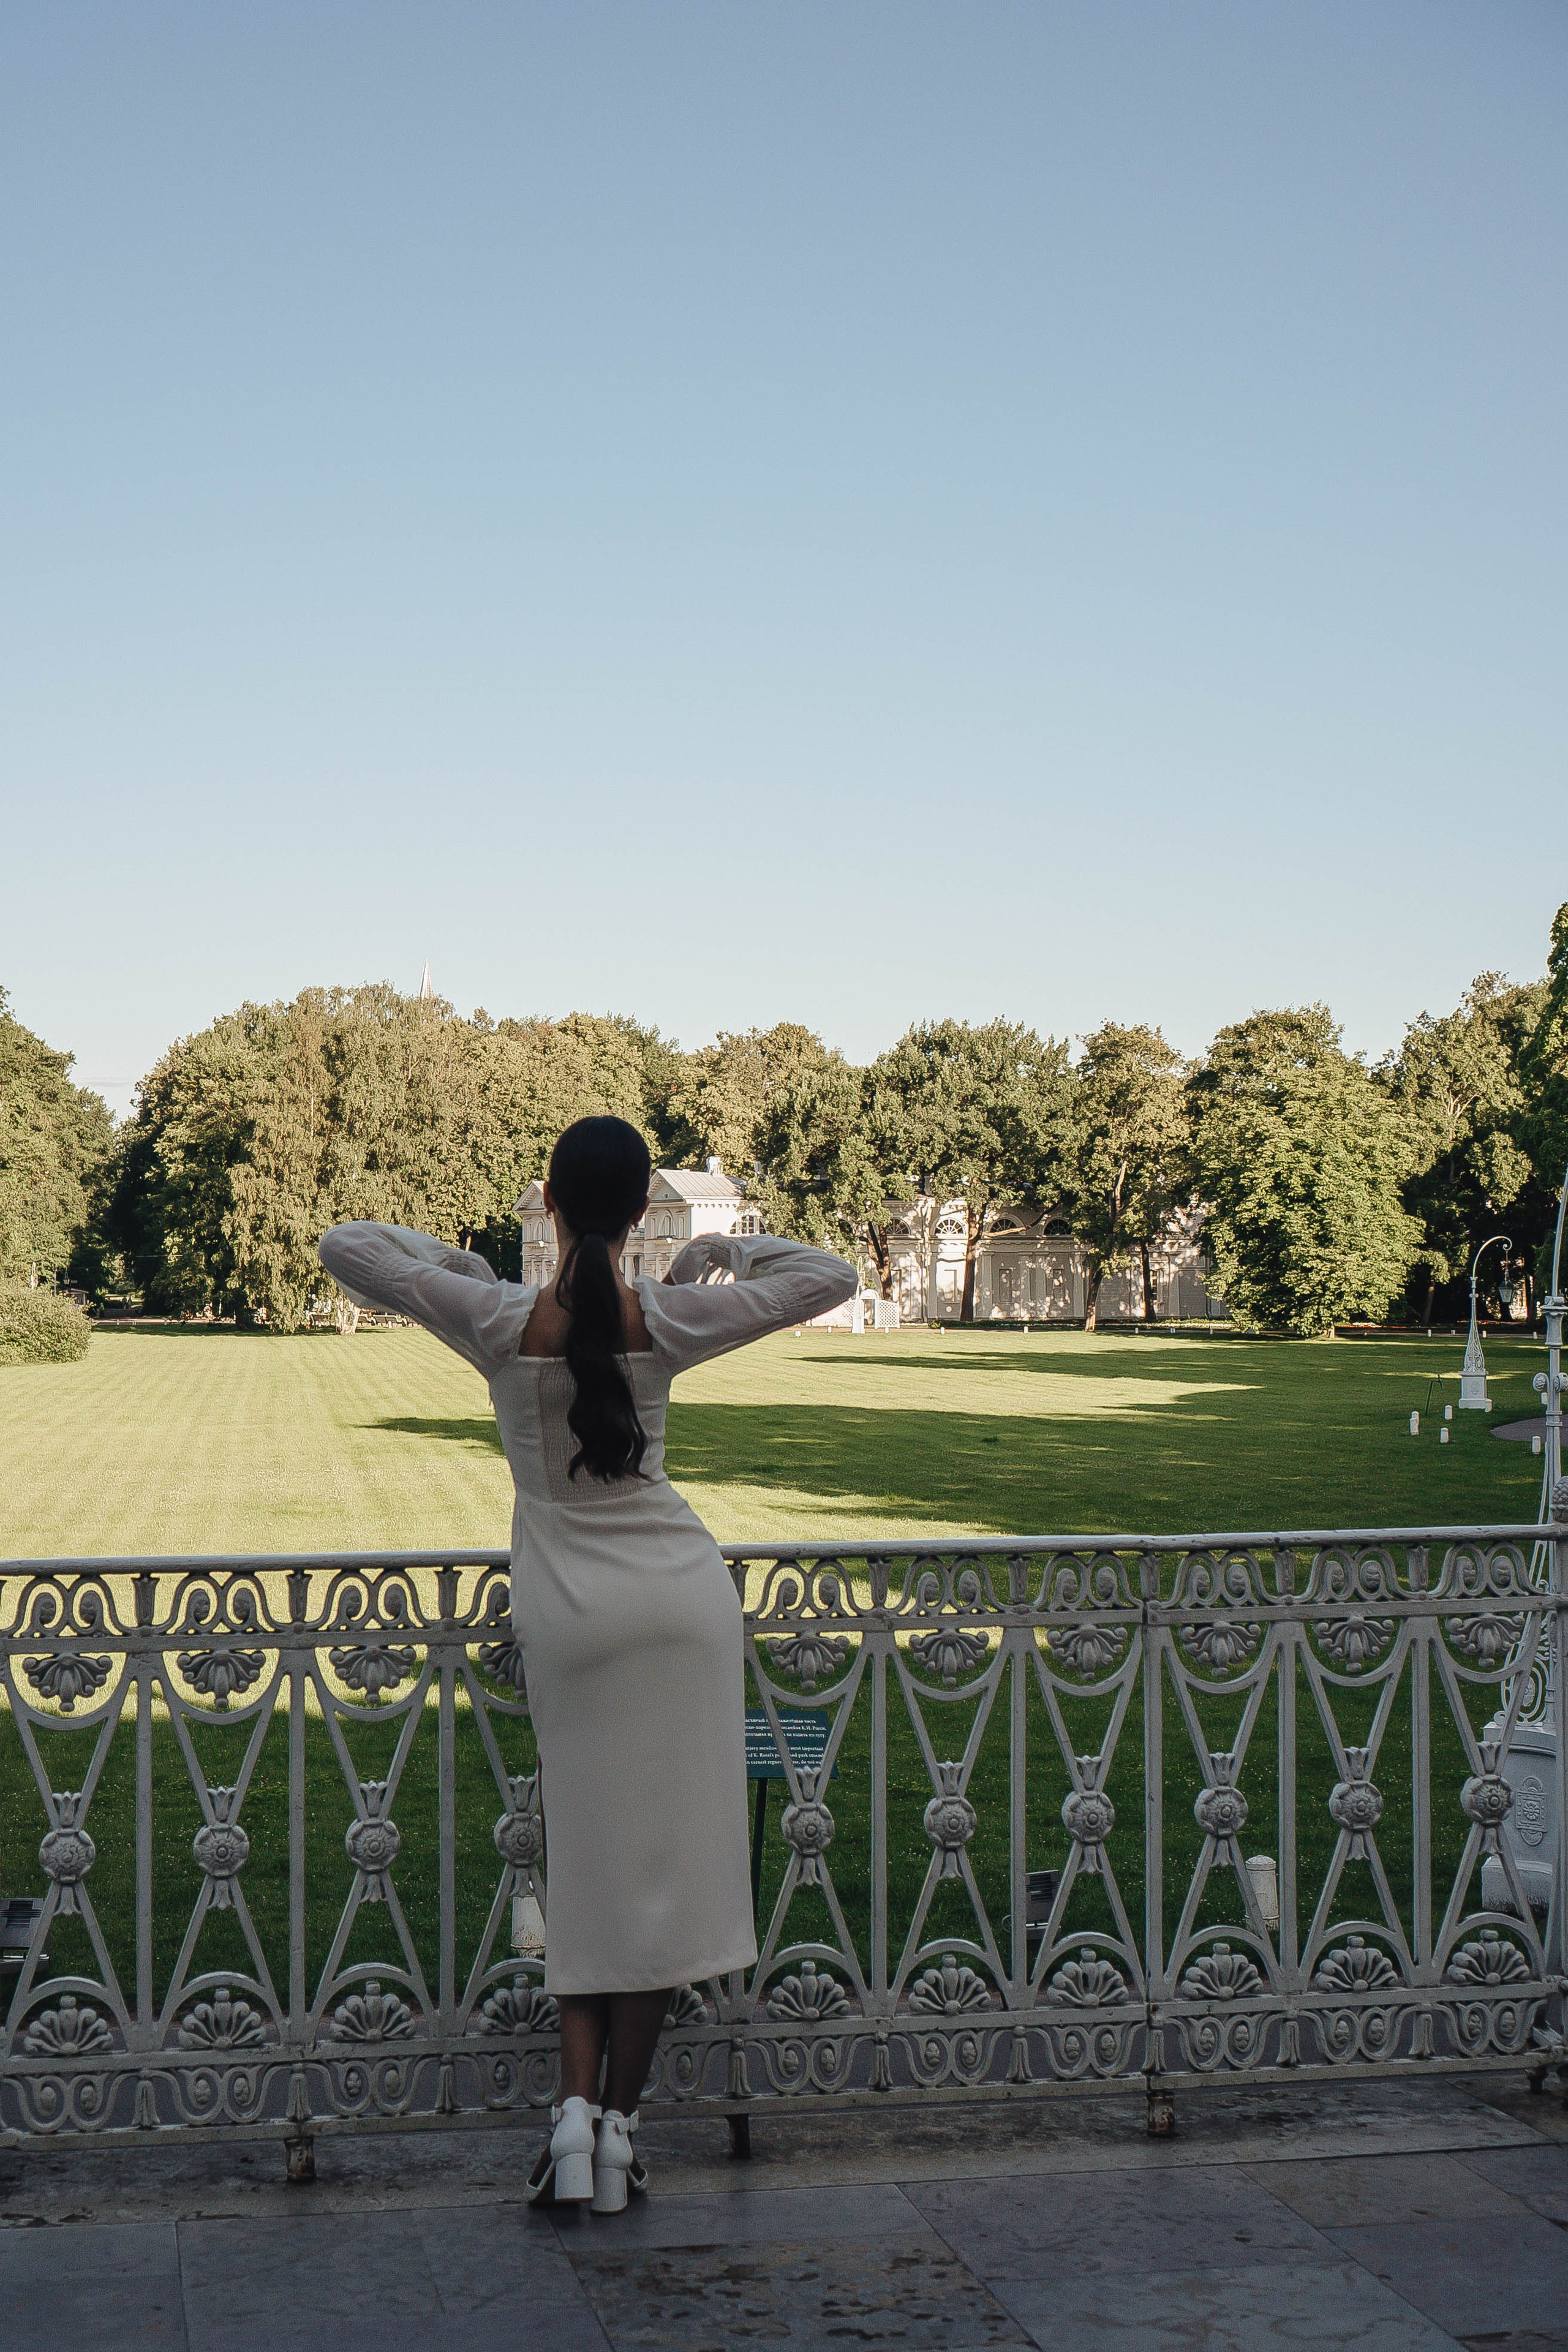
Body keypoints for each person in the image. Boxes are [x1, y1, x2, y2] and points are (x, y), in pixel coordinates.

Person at [317, 1118, 857, 2212]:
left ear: (552, 1204)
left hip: (571, 1614)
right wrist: (723, 1252)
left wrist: (452, 1263)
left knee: (589, 1867)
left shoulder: (500, 1316)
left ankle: (570, 2119)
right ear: (635, 1213)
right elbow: (829, 1275)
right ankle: (618, 2128)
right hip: (681, 1604)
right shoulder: (666, 1313)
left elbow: (347, 1246)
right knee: (659, 1879)